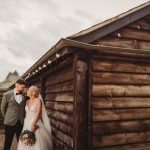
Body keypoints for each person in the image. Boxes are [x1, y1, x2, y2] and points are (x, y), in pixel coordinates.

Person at [17, 85, 53, 150]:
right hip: (27, 122)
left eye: (28, 91)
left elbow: (38, 113)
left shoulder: (38, 101)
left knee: (36, 139)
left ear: (33, 92)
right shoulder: (27, 101)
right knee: (25, 139)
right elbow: (27, 113)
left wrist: (33, 124)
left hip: (35, 122)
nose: (27, 92)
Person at [1, 78, 27, 150]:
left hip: (21, 122)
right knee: (8, 141)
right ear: (17, 85)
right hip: (9, 122)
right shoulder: (6, 95)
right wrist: (7, 117)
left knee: (21, 141)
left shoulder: (25, 95)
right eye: (22, 87)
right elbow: (2, 108)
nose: (23, 89)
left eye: (24, 87)